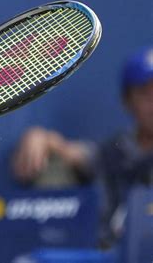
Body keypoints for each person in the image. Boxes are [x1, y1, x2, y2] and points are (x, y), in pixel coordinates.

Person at [11, 44, 153, 247]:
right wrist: (40, 136)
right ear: (127, 101)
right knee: (54, 164)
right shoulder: (115, 150)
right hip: (108, 251)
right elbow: (75, 153)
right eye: (145, 93)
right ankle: (51, 247)